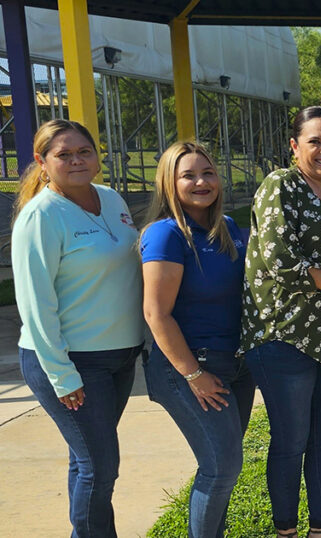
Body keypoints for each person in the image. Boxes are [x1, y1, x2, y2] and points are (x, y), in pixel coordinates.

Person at [240, 106, 321, 538]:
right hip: (284, 335)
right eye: (315, 141)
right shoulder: (280, 186)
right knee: (291, 441)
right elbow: (281, 262)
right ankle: (286, 532)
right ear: (295, 146)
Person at [11, 119, 145, 536]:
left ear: (96, 154)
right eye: (63, 154)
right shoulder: (41, 216)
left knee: (86, 461)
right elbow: (35, 304)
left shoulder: (109, 198)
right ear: (42, 162)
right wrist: (61, 375)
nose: (76, 160)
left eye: (83, 151)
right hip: (71, 362)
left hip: (119, 358)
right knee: (100, 467)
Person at [139, 141, 254, 537]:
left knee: (223, 467)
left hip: (235, 366)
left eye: (208, 173)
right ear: (169, 182)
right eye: (188, 175)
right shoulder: (167, 235)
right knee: (222, 468)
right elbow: (156, 313)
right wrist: (193, 375)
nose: (201, 182)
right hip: (189, 368)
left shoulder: (228, 230)